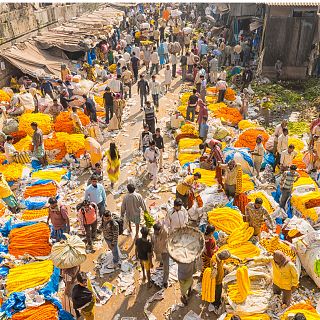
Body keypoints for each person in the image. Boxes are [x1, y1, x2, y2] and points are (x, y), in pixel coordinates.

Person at [152, 223, 169, 288]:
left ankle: (165, 281)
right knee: (161, 261)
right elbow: (154, 243)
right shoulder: (154, 235)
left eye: (156, 231)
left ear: (160, 230)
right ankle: (161, 263)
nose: (155, 232)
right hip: (159, 252)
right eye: (154, 231)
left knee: (166, 268)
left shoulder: (165, 233)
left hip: (165, 252)